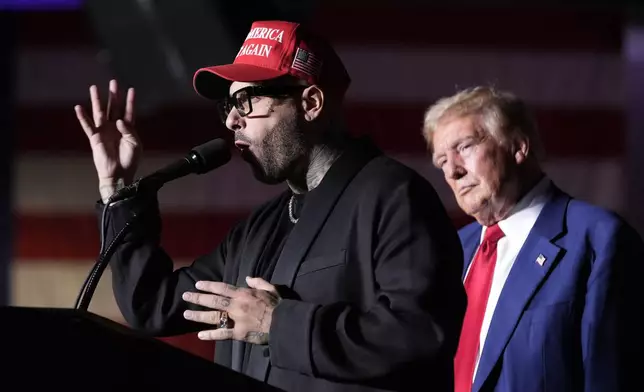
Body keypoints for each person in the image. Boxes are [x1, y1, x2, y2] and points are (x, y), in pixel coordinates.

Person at [74, 20, 466, 391]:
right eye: (226, 106)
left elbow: (419, 334)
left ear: (311, 102)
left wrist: (277, 323)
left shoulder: (393, 195)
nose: (231, 121)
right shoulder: (257, 228)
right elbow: (151, 305)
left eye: (245, 100)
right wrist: (117, 186)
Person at [422, 85, 644, 392]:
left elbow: (610, 378)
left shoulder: (599, 240)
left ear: (517, 146)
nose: (453, 172)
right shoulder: (453, 249)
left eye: (465, 147)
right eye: (442, 162)